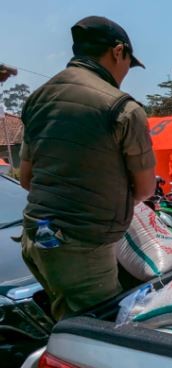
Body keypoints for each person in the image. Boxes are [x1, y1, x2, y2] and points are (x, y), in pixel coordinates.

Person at [19, 16, 154, 320]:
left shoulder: (37, 99)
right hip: (80, 251)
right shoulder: (123, 108)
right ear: (118, 51)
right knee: (98, 339)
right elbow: (146, 189)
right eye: (128, 64)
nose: (125, 75)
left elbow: (26, 178)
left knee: (66, 319)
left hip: (35, 238)